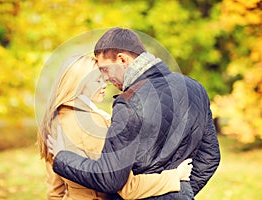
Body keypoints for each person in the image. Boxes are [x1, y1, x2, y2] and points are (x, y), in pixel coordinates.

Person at [48, 27, 221, 199]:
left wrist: (62, 158)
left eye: (105, 70)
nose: (106, 79)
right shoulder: (195, 88)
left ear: (122, 60)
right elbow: (210, 158)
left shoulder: (128, 102)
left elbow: (111, 179)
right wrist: (181, 191)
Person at [38, 55, 193, 200]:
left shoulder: (54, 120)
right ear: (78, 86)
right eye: (97, 81)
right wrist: (174, 176)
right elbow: (125, 187)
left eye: (103, 79)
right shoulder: (91, 124)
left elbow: (55, 191)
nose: (105, 84)